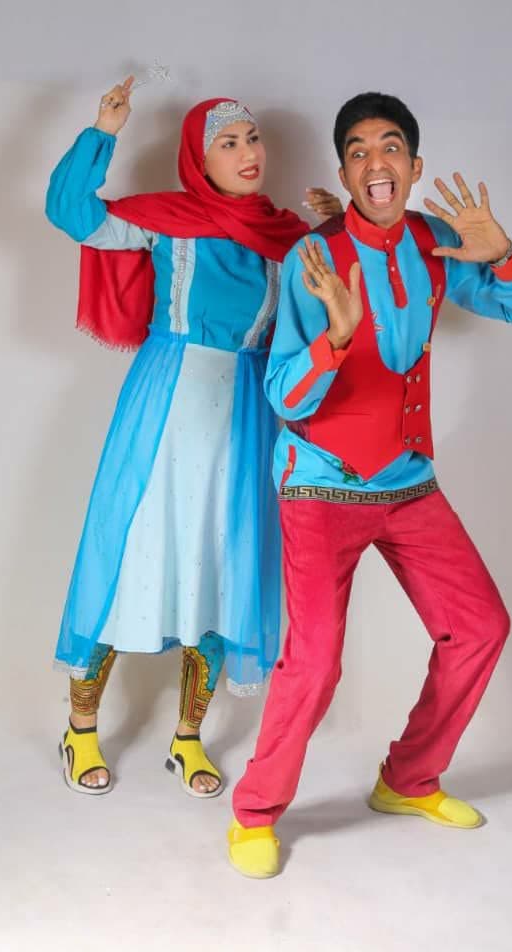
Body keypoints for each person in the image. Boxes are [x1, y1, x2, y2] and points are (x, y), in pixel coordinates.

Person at [228, 91, 512, 876]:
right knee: (315, 663)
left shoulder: (435, 240)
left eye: (391, 146)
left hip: (408, 483)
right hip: (320, 486)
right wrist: (335, 339)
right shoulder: (314, 257)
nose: (377, 161)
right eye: (359, 151)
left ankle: (409, 780)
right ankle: (256, 812)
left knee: (480, 626)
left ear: (414, 165)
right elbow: (284, 396)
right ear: (344, 172)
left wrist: (502, 252)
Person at [46, 77, 341, 797]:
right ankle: (79, 730)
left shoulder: (289, 241)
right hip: (165, 408)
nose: (247, 152)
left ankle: (187, 739)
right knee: (130, 557)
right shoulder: (167, 222)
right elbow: (71, 212)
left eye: (253, 139)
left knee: (221, 569)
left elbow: (334, 309)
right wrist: (104, 129)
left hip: (245, 417)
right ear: (198, 160)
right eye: (228, 143)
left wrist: (340, 231)